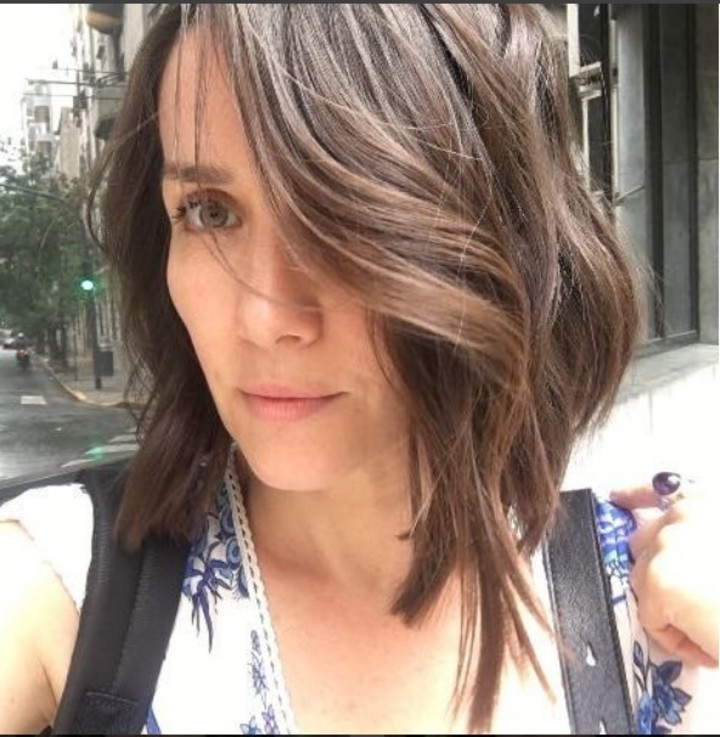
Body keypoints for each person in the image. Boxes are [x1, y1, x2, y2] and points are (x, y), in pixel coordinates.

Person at [0, 4, 717, 734]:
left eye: (338, 213)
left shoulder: (667, 611)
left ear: (499, 238)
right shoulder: (62, 590)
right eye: (210, 212)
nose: (265, 317)